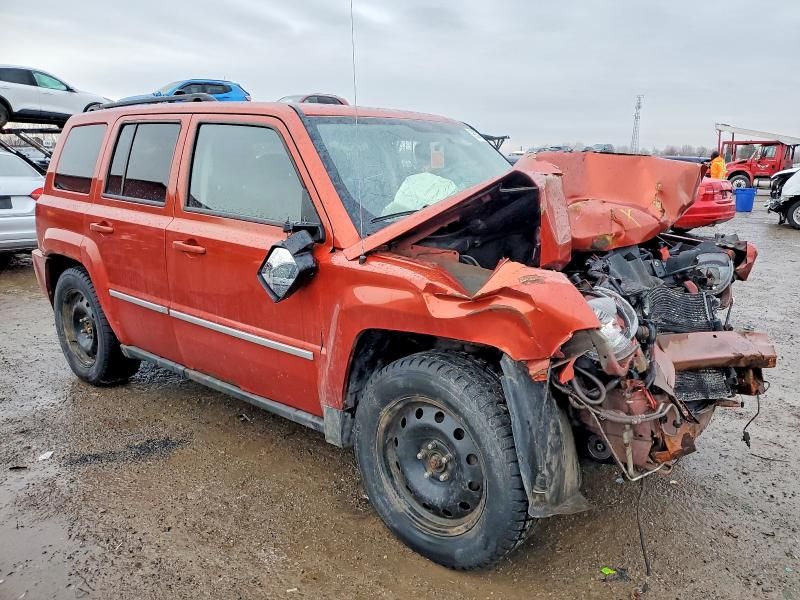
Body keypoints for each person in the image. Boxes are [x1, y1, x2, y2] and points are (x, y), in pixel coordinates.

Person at [381, 142, 457, 216]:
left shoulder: (410, 180)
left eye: (440, 155)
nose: (440, 158)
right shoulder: (448, 185)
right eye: (437, 155)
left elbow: (391, 213)